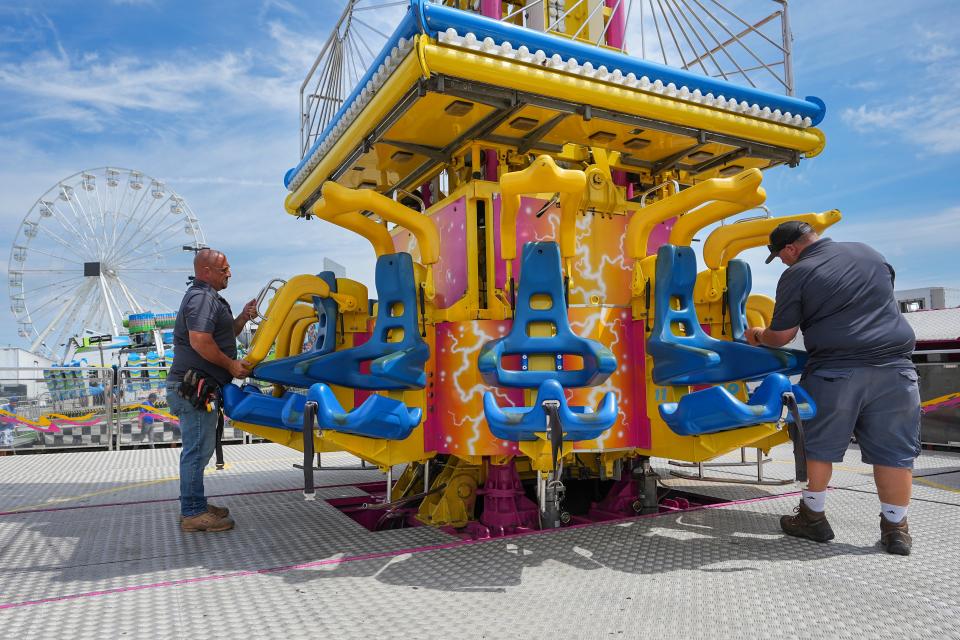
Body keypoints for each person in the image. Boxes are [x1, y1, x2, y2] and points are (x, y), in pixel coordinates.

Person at [746, 221, 919, 555]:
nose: (783, 263)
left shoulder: (799, 273)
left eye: (781, 257)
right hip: (897, 369)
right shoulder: (871, 254)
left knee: (817, 445)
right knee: (895, 452)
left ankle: (813, 518)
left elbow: (781, 336)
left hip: (837, 370)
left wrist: (755, 335)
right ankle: (896, 530)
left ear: (790, 249)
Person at [166, 248, 256, 533]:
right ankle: (193, 512)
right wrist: (231, 365)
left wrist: (242, 317)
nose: (230, 273)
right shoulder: (202, 298)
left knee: (200, 448)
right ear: (205, 271)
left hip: (200, 387)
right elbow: (201, 341)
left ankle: (196, 503)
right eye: (224, 269)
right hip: (195, 388)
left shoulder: (207, 298)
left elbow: (223, 333)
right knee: (197, 450)